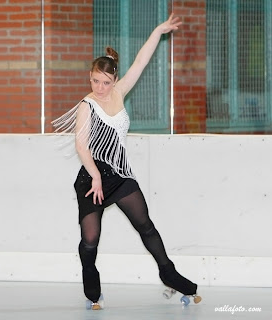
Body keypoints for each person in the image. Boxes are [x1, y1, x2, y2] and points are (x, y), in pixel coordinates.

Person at [52, 13, 200, 310]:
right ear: (90, 77)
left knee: (146, 226)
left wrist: (159, 29)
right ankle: (93, 292)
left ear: (115, 79)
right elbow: (81, 146)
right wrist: (94, 175)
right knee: (90, 239)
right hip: (91, 177)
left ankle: (172, 278)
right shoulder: (87, 105)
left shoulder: (120, 92)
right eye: (95, 80)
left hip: (120, 176)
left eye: (106, 82)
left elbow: (142, 61)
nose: (100, 87)